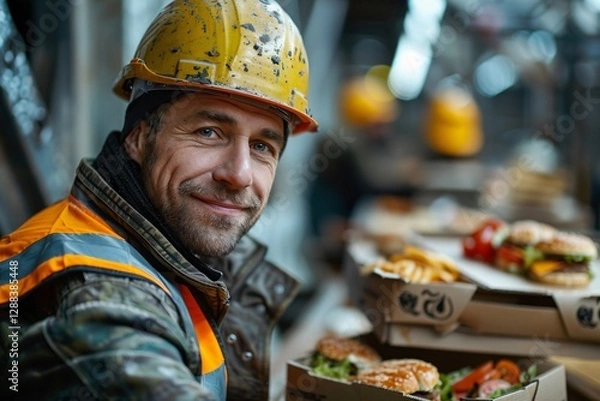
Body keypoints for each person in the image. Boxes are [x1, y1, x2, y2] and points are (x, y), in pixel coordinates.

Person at [0, 0, 318, 400]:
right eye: (208, 132)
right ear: (138, 136)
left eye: (261, 146)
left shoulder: (178, 250)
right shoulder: (95, 299)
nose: (238, 174)